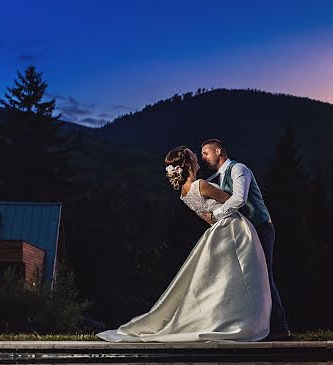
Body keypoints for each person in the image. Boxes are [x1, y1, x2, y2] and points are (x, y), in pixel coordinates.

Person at [97, 146, 271, 342]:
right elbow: (232, 200)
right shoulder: (201, 185)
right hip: (233, 228)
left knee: (222, 279)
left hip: (216, 231)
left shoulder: (184, 193)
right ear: (188, 163)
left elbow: (208, 218)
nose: (198, 157)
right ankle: (241, 320)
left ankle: (224, 319)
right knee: (242, 276)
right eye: (194, 155)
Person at [201, 139, 292, 341]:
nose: (203, 157)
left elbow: (240, 198)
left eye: (206, 153)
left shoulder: (238, 169)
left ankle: (280, 328)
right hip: (240, 232)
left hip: (260, 228)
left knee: (264, 275)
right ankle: (256, 329)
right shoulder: (215, 177)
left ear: (219, 150)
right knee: (245, 279)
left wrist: (216, 214)